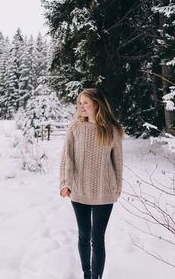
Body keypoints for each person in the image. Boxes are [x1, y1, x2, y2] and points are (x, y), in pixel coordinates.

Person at [59, 88, 124, 279]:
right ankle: (87, 274)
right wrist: (65, 183)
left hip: (105, 191)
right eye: (80, 103)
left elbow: (117, 162)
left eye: (85, 102)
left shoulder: (112, 129)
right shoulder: (75, 127)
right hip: (79, 190)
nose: (82, 107)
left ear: (97, 104)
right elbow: (67, 157)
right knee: (84, 235)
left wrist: (117, 187)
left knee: (98, 239)